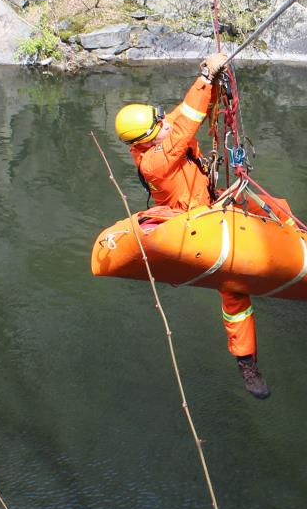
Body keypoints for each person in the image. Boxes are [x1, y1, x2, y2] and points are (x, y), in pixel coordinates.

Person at [113, 52, 271, 400]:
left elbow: (184, 114)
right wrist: (204, 78)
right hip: (193, 222)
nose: (165, 122)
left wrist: (210, 80)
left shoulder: (155, 134)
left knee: (271, 208)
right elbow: (185, 126)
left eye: (161, 118)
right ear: (144, 141)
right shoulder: (155, 161)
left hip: (209, 202)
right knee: (234, 290)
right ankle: (246, 363)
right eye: (159, 125)